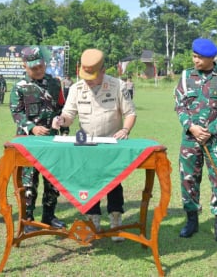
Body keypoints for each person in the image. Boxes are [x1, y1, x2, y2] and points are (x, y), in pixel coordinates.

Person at [52, 48, 136, 241]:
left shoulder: (118, 86)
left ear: (103, 70)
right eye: (85, 75)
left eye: (92, 76)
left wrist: (125, 130)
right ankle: (93, 220)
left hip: (111, 144)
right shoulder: (76, 88)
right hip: (87, 144)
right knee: (89, 183)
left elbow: (130, 113)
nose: (88, 80)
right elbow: (69, 115)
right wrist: (60, 120)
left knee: (114, 183)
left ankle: (115, 221)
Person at [174, 38, 217, 242]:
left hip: (216, 140)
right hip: (190, 139)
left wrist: (211, 129)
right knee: (188, 179)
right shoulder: (185, 76)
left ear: (211, 58)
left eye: (199, 57)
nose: (195, 60)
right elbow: (179, 105)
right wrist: (191, 127)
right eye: (194, 56)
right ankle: (191, 219)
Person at [10, 46, 68, 232]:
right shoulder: (20, 87)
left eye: (41, 66)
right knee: (29, 181)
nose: (39, 70)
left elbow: (61, 108)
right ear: (25, 66)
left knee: (52, 181)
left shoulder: (54, 83)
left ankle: (49, 216)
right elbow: (16, 112)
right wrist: (32, 127)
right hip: (29, 142)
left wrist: (62, 124)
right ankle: (28, 219)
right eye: (34, 67)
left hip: (52, 140)